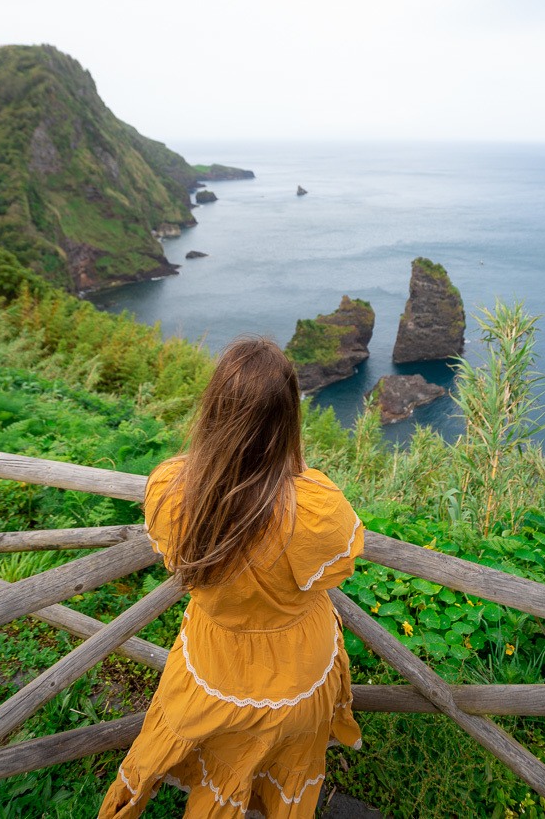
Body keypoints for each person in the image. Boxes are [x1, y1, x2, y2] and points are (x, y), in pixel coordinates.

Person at [99, 337, 364, 818]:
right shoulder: (315, 508)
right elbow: (338, 568)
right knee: (283, 766)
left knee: (215, 750)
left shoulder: (172, 490)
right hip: (297, 672)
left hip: (213, 661)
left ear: (215, 408)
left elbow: (173, 556)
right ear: (287, 418)